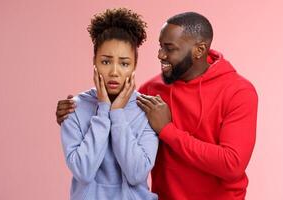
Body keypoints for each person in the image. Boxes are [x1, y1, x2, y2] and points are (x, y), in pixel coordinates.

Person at [57, 12, 258, 200]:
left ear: (199, 50)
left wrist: (167, 130)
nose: (160, 55)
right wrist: (73, 112)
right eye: (160, 46)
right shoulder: (151, 91)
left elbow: (232, 164)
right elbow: (116, 108)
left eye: (169, 48)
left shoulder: (239, 91)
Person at [59, 8, 158, 200]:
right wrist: (103, 109)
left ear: (134, 66)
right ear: (94, 61)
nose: (114, 72)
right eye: (105, 62)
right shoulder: (74, 108)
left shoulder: (146, 110)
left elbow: (136, 173)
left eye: (124, 63)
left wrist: (117, 113)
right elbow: (83, 171)